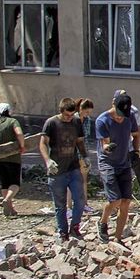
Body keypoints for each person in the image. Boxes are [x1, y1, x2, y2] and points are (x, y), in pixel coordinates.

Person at [39, 97, 87, 241]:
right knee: (60, 205)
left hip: (73, 168)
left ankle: (75, 227)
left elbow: (79, 142)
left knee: (80, 200)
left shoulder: (76, 122)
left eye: (72, 115)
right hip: (57, 171)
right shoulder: (51, 123)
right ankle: (63, 232)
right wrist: (48, 160)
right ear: (61, 111)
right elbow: (43, 143)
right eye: (66, 115)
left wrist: (85, 157)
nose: (69, 118)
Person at [94, 92, 140, 241]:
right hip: (108, 163)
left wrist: (136, 150)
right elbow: (104, 144)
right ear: (113, 104)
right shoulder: (102, 120)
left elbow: (136, 134)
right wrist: (108, 148)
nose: (121, 118)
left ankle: (118, 239)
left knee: (126, 201)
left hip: (124, 162)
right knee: (115, 200)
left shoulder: (129, 117)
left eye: (123, 115)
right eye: (119, 114)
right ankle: (103, 222)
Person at [0, 102, 25, 216]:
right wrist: (22, 146)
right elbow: (19, 133)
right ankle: (7, 199)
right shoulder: (13, 122)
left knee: (5, 183)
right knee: (15, 183)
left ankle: (10, 209)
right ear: (8, 111)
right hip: (13, 158)